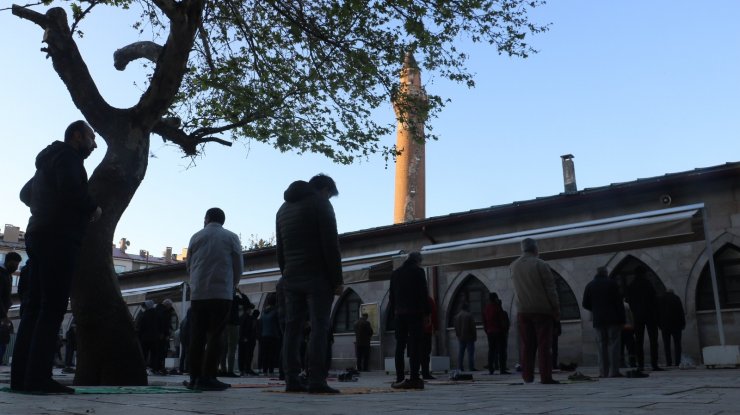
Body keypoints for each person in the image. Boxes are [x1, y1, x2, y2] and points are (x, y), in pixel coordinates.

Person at [12, 120, 101, 394]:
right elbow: (72, 191)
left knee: (34, 308)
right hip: (59, 238)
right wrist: (92, 208)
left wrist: (43, 206)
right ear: (76, 135)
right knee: (52, 309)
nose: (94, 144)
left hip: (37, 235)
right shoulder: (68, 157)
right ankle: (38, 379)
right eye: (91, 137)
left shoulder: (46, 162)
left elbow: (25, 194)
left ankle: (22, 378)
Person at [276, 174, 343, 394]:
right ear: (324, 189)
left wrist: (286, 274)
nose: (329, 199)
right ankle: (316, 380)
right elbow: (330, 245)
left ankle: (292, 380)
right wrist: (336, 280)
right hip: (317, 276)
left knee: (292, 330)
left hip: (291, 276)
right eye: (330, 195)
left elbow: (280, 250)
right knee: (319, 327)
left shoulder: (282, 209)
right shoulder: (321, 204)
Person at [185, 207, 243, 391]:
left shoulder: (196, 237)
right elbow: (238, 266)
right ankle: (209, 377)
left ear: (207, 218)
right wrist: (231, 285)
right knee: (216, 335)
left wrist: (195, 283)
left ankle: (194, 377)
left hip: (198, 294)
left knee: (197, 336)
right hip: (221, 293)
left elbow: (189, 265)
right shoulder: (231, 237)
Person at [510, 238, 560, 384]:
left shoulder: (513, 266)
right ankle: (546, 377)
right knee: (544, 345)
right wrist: (556, 308)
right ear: (535, 249)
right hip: (542, 310)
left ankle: (527, 376)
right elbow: (551, 289)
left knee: (527, 346)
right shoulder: (541, 264)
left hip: (523, 310)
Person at [389, 251, 430, 390]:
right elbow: (423, 292)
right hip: (415, 313)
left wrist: (393, 315)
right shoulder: (418, 272)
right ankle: (414, 377)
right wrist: (427, 313)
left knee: (400, 346)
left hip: (399, 314)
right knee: (415, 346)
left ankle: (400, 378)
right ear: (417, 261)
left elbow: (392, 297)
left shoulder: (395, 273)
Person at [582, 266, 624, 378]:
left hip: (598, 319)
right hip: (613, 319)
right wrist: (622, 319)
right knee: (614, 345)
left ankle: (603, 372)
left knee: (601, 346)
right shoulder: (612, 284)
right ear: (606, 273)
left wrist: (595, 309)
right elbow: (619, 303)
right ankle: (614, 371)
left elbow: (585, 303)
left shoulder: (590, 285)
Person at [626, 266, 662, 371]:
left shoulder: (631, 285)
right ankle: (654, 364)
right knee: (653, 340)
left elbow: (629, 300)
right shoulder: (648, 284)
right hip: (650, 315)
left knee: (639, 341)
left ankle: (640, 364)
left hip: (637, 316)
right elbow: (654, 300)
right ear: (644, 273)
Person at [0, 252, 21, 362]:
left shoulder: (7, 275)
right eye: (15, 264)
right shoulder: (2, 274)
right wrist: (3, 316)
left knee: (3, 341)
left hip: (3, 313)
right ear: (8, 262)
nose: (16, 267)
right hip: (1, 315)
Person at [658, 289, 686, 367]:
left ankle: (669, 362)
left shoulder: (661, 299)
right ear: (673, 292)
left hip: (665, 325)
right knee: (677, 344)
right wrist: (683, 323)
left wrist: (659, 324)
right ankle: (677, 362)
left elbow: (658, 312)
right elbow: (681, 311)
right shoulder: (676, 298)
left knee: (666, 344)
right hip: (676, 325)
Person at [483, 292, 508, 375]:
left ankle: (491, 369)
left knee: (491, 351)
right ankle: (502, 369)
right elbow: (502, 318)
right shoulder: (497, 307)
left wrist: (487, 330)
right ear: (495, 298)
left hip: (490, 332)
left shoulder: (486, 308)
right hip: (498, 331)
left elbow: (484, 321)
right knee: (501, 351)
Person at [258, 293, 281, 375]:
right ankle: (271, 370)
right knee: (272, 354)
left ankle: (264, 370)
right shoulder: (276, 312)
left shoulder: (264, 312)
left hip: (264, 335)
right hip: (273, 335)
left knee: (265, 354)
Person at [136, 300, 160, 371]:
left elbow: (140, 326)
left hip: (145, 338)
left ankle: (143, 367)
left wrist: (139, 335)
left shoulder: (144, 314)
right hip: (154, 337)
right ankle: (153, 367)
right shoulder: (157, 314)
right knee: (154, 353)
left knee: (144, 353)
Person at [454, 303, 477, 371]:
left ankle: (460, 367)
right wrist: (474, 336)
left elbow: (455, 327)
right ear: (467, 307)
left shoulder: (456, 316)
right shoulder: (469, 315)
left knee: (461, 353)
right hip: (469, 337)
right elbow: (473, 327)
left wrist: (458, 335)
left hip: (461, 337)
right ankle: (471, 367)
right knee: (470, 353)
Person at [420, 296, 438, 379]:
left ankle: (415, 374)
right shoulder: (429, 300)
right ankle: (425, 373)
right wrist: (436, 327)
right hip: (426, 330)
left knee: (416, 353)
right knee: (426, 353)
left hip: (415, 331)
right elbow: (434, 314)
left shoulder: (412, 298)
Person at [239, 308, 258, 376]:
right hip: (247, 339)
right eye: (250, 309)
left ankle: (244, 369)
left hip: (246, 338)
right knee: (247, 354)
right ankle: (246, 369)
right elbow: (244, 328)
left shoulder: (243, 317)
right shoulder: (246, 317)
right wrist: (244, 337)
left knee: (244, 354)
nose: (251, 310)